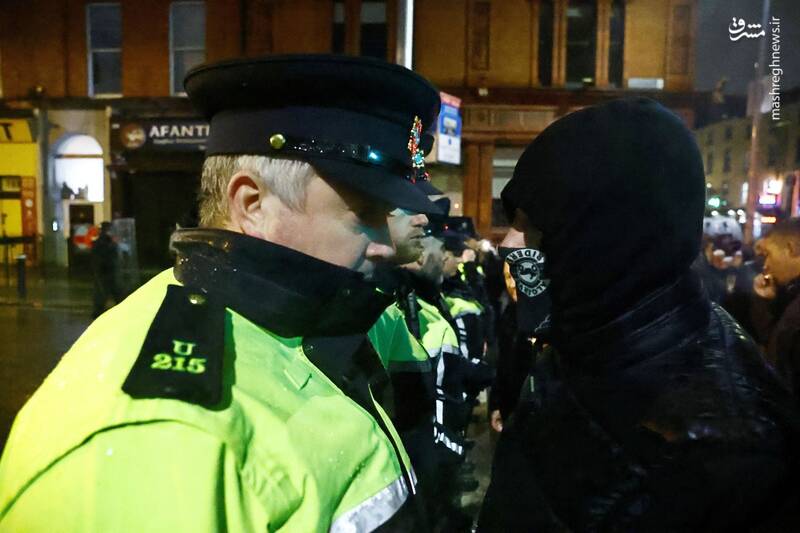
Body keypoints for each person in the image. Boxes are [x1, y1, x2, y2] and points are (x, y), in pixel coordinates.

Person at [0, 55, 443, 531]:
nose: (385, 244)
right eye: (366, 214)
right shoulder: (161, 435)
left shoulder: (316, 322)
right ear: (252, 205)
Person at [478, 98, 800, 531]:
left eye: (532, 223)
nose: (508, 243)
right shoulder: (584, 337)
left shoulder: (732, 455)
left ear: (606, 238)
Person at [752, 218, 800, 396]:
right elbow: (777, 342)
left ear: (791, 249)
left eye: (768, 254)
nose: (766, 265)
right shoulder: (791, 293)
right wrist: (766, 302)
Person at [91, 221, 123, 319]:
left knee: (106, 290)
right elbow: (106, 255)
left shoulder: (102, 240)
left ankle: (98, 311)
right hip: (105, 270)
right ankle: (98, 311)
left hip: (104, 270)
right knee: (107, 290)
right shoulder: (105, 241)